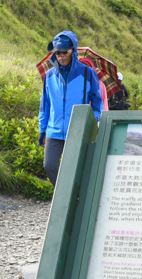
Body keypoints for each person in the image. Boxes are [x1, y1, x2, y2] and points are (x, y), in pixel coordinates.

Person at [39, 30, 103, 187]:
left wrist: (89, 124)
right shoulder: (50, 75)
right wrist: (42, 130)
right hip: (54, 131)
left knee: (74, 169)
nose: (61, 56)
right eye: (57, 52)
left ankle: (73, 200)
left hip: (76, 131)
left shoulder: (87, 73)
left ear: (73, 51)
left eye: (64, 52)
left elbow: (97, 103)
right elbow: (45, 105)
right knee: (49, 166)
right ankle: (64, 194)